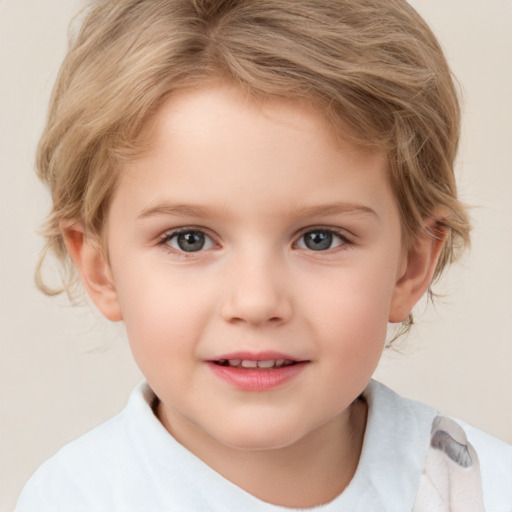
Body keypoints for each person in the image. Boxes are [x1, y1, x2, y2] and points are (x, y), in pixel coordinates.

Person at [15, 0, 512, 510]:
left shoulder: (483, 491)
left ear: (410, 265)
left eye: (320, 238)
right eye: (189, 239)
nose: (255, 302)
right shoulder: (73, 498)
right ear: (101, 270)